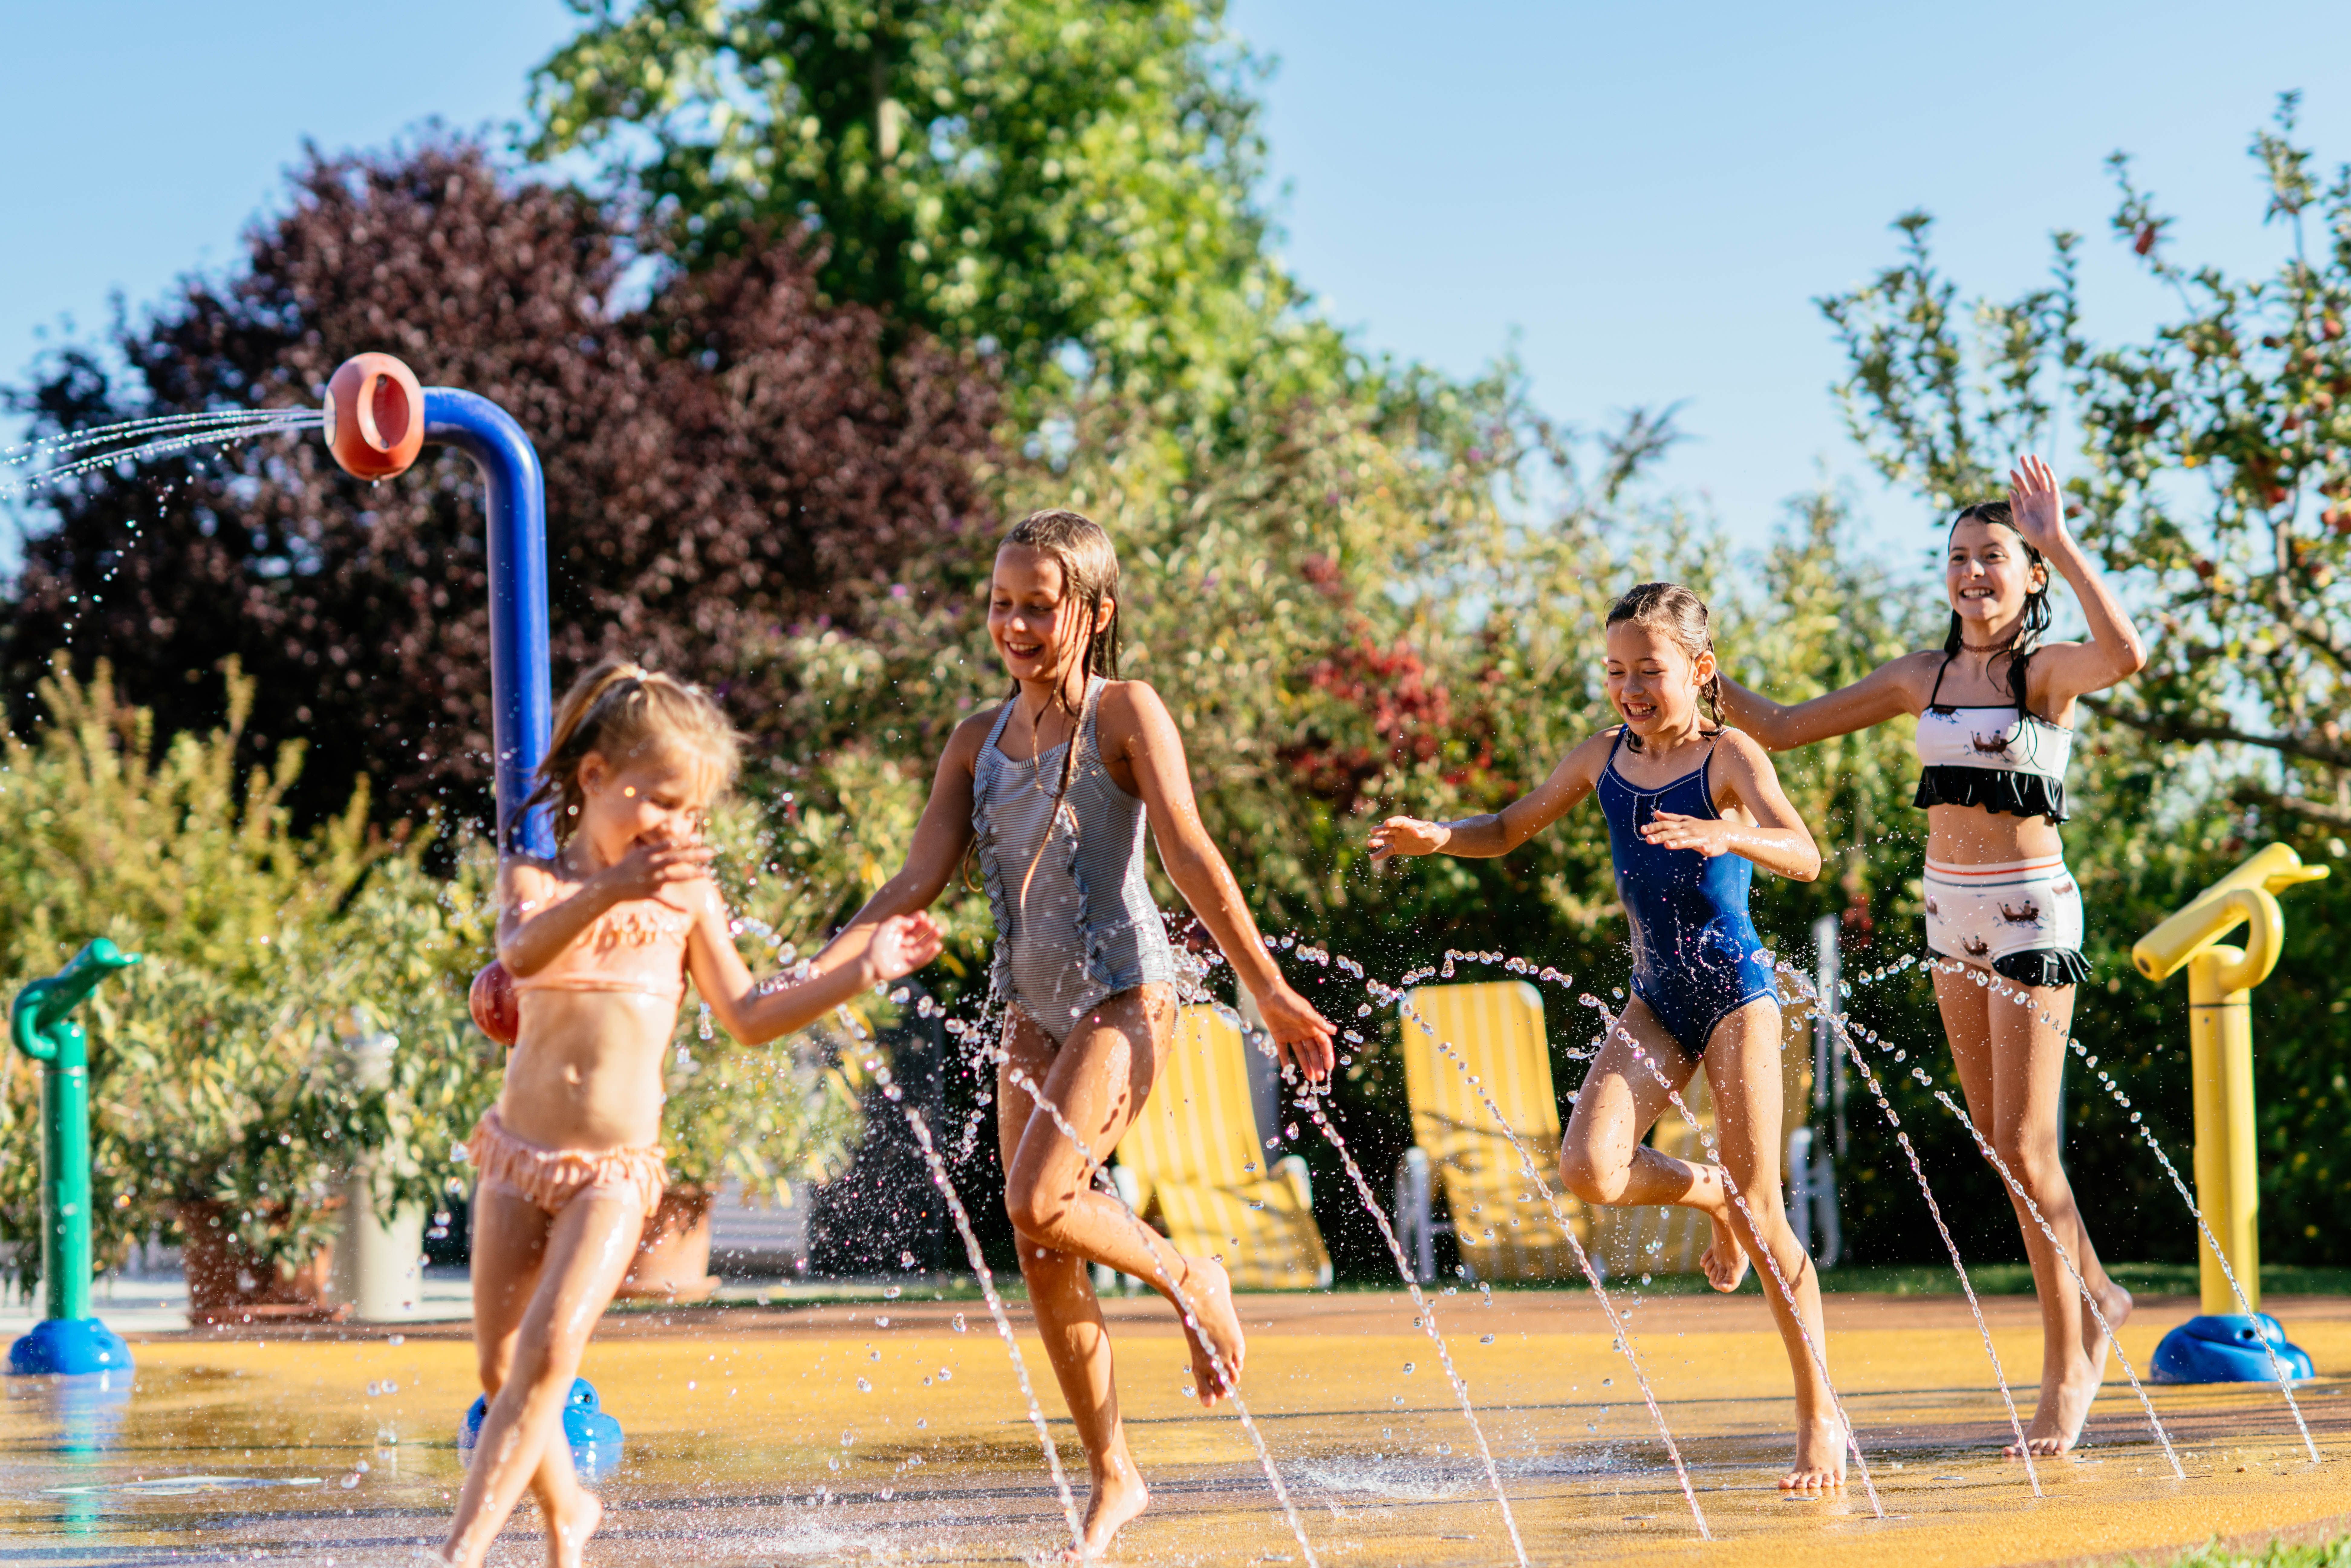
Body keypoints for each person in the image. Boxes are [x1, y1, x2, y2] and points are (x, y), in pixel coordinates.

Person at [819, 509, 1337, 1556]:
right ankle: (1115, 1475)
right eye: (1002, 604)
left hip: (1127, 998)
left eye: (1038, 605)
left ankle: (1196, 1279)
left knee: (1040, 1193)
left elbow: (1191, 853)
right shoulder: (978, 740)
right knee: (1039, 1242)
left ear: (1093, 613)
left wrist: (1267, 990)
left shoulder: (1125, 713)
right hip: (1031, 1009)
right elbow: (919, 876)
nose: (1015, 623)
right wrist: (822, 968)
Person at [441, 660, 943, 1568]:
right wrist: (615, 886)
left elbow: (749, 1015)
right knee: (498, 1369)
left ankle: (460, 1555)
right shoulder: (538, 879)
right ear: (594, 777)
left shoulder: (685, 898)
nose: (675, 829)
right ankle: (569, 1518)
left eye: (690, 813)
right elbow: (519, 948)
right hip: (517, 1155)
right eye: (660, 802)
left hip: (614, 1172)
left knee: (551, 1359)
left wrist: (857, 972)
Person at [1370, 581, 1847, 1493]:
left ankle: (1819, 1416)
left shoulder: (1729, 754)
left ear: (1699, 670)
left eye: (1650, 670)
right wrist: (1442, 837)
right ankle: (1708, 1193)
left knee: (1768, 1214)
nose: (1630, 688)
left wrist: (1726, 833)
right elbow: (1509, 826)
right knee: (1589, 1167)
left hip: (1739, 997)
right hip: (1657, 998)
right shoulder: (1602, 758)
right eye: (1616, 670)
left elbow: (1806, 852)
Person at [1715, 455, 2147, 1457]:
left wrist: (2062, 540)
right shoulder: (1925, 675)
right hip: (1947, 915)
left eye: (1993, 556)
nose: (1971, 573)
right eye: (1957, 558)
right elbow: (1781, 725)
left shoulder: (2043, 675)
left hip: (2033, 913)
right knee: (2001, 1144)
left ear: (2027, 571)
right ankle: (2101, 1292)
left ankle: (2070, 1367)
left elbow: (2123, 655)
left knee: (2030, 1143)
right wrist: (1701, 674)